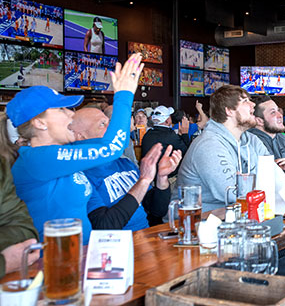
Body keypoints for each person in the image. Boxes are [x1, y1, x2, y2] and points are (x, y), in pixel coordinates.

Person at [4, 53, 143, 244]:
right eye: (62, 109)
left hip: (79, 259)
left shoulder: (61, 156)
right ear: (39, 123)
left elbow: (107, 146)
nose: (71, 115)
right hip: (51, 264)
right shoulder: (36, 159)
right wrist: (124, 95)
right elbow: (112, 147)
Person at [70, 108, 181, 230]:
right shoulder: (77, 174)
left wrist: (161, 178)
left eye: (110, 123)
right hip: (114, 244)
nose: (113, 128)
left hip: (144, 238)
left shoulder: (124, 163)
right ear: (80, 135)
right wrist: (143, 181)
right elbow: (104, 226)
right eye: (102, 124)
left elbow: (157, 210)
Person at [178, 85, 278, 212]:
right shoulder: (209, 145)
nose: (253, 104)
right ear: (229, 111)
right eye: (245, 101)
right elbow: (232, 194)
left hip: (239, 218)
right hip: (198, 225)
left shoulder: (252, 140)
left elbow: (276, 178)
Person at [0, 115, 39, 278]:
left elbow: (24, 228)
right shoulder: (32, 159)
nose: (71, 114)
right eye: (61, 110)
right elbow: (108, 149)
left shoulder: (2, 168)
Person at [249, 96, 285, 190]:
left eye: (278, 110)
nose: (280, 115)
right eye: (273, 112)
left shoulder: (281, 137)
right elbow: (277, 185)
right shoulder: (252, 141)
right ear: (259, 121)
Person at [141, 105, 189, 171]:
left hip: (148, 173)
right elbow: (187, 152)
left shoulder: (147, 134)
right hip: (166, 176)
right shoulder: (169, 135)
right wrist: (185, 133)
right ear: (167, 121)